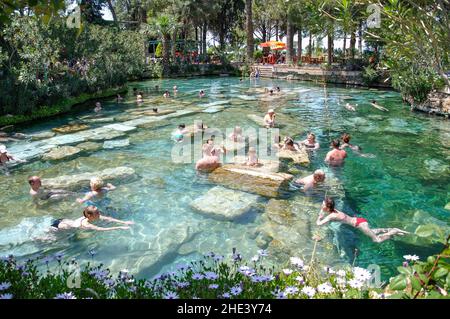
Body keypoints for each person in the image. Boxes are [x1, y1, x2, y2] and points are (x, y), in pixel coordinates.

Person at [316, 197, 409, 243]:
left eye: (323, 205)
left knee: (376, 240)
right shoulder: (335, 211)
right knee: (372, 231)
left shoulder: (331, 216)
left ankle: (393, 232)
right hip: (360, 220)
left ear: (328, 208)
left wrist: (319, 217)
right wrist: (323, 211)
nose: (321, 205)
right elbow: (328, 211)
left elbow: (319, 224)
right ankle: (391, 231)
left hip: (359, 225)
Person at [51, 205, 133, 231]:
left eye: (98, 211)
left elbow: (110, 219)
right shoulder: (86, 224)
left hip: (64, 220)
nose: (99, 213)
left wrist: (124, 222)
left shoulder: (94, 216)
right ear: (90, 215)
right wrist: (120, 227)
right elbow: (101, 229)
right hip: (59, 226)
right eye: (97, 212)